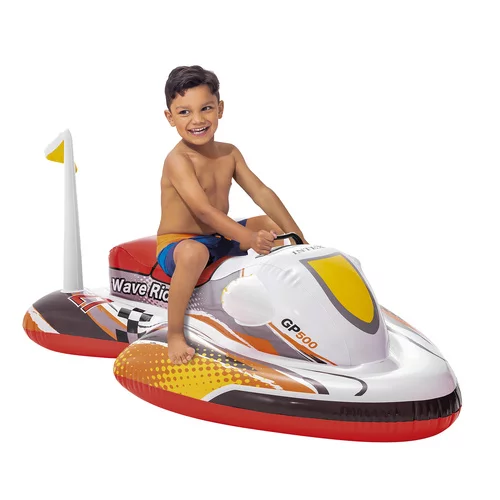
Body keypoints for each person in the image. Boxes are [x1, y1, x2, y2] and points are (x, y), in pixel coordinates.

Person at [157, 65, 307, 365]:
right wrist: (248, 238)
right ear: (170, 117)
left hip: (219, 236)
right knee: (195, 253)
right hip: (180, 244)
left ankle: (287, 303)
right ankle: (174, 334)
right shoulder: (178, 160)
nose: (198, 120)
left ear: (220, 109)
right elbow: (203, 210)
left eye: (206, 108)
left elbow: (261, 192)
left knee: (272, 225)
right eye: (184, 112)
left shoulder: (230, 153)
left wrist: (298, 237)